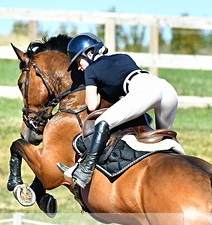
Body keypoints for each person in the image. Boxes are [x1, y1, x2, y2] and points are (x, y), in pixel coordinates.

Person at [65, 32, 179, 188]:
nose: (79, 67)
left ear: (89, 53)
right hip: (167, 89)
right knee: (165, 138)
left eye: (79, 61)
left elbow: (92, 106)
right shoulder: (123, 57)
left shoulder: (91, 70)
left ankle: (86, 169)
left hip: (145, 91)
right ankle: (177, 166)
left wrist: (94, 86)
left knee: (102, 122)